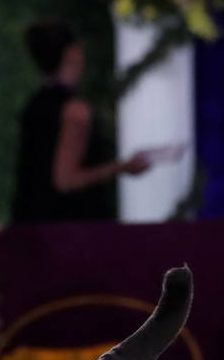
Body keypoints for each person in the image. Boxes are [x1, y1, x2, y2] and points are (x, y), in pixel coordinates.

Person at [12, 19, 150, 222]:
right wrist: (121, 167)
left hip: (32, 223)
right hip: (70, 228)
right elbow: (66, 180)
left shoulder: (35, 105)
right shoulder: (74, 110)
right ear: (71, 53)